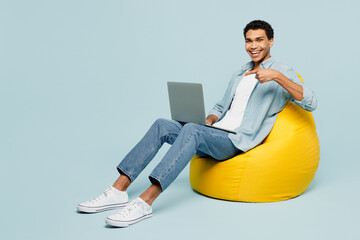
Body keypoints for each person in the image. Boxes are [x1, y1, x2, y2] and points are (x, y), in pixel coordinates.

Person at [77, 20, 317, 227]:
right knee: (163, 124)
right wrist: (210, 119)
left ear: (271, 42)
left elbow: (311, 102)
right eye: (248, 41)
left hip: (236, 141)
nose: (253, 46)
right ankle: (118, 190)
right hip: (214, 132)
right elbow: (221, 107)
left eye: (259, 40)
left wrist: (277, 77)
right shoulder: (239, 74)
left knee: (191, 131)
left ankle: (145, 202)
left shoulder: (282, 71)